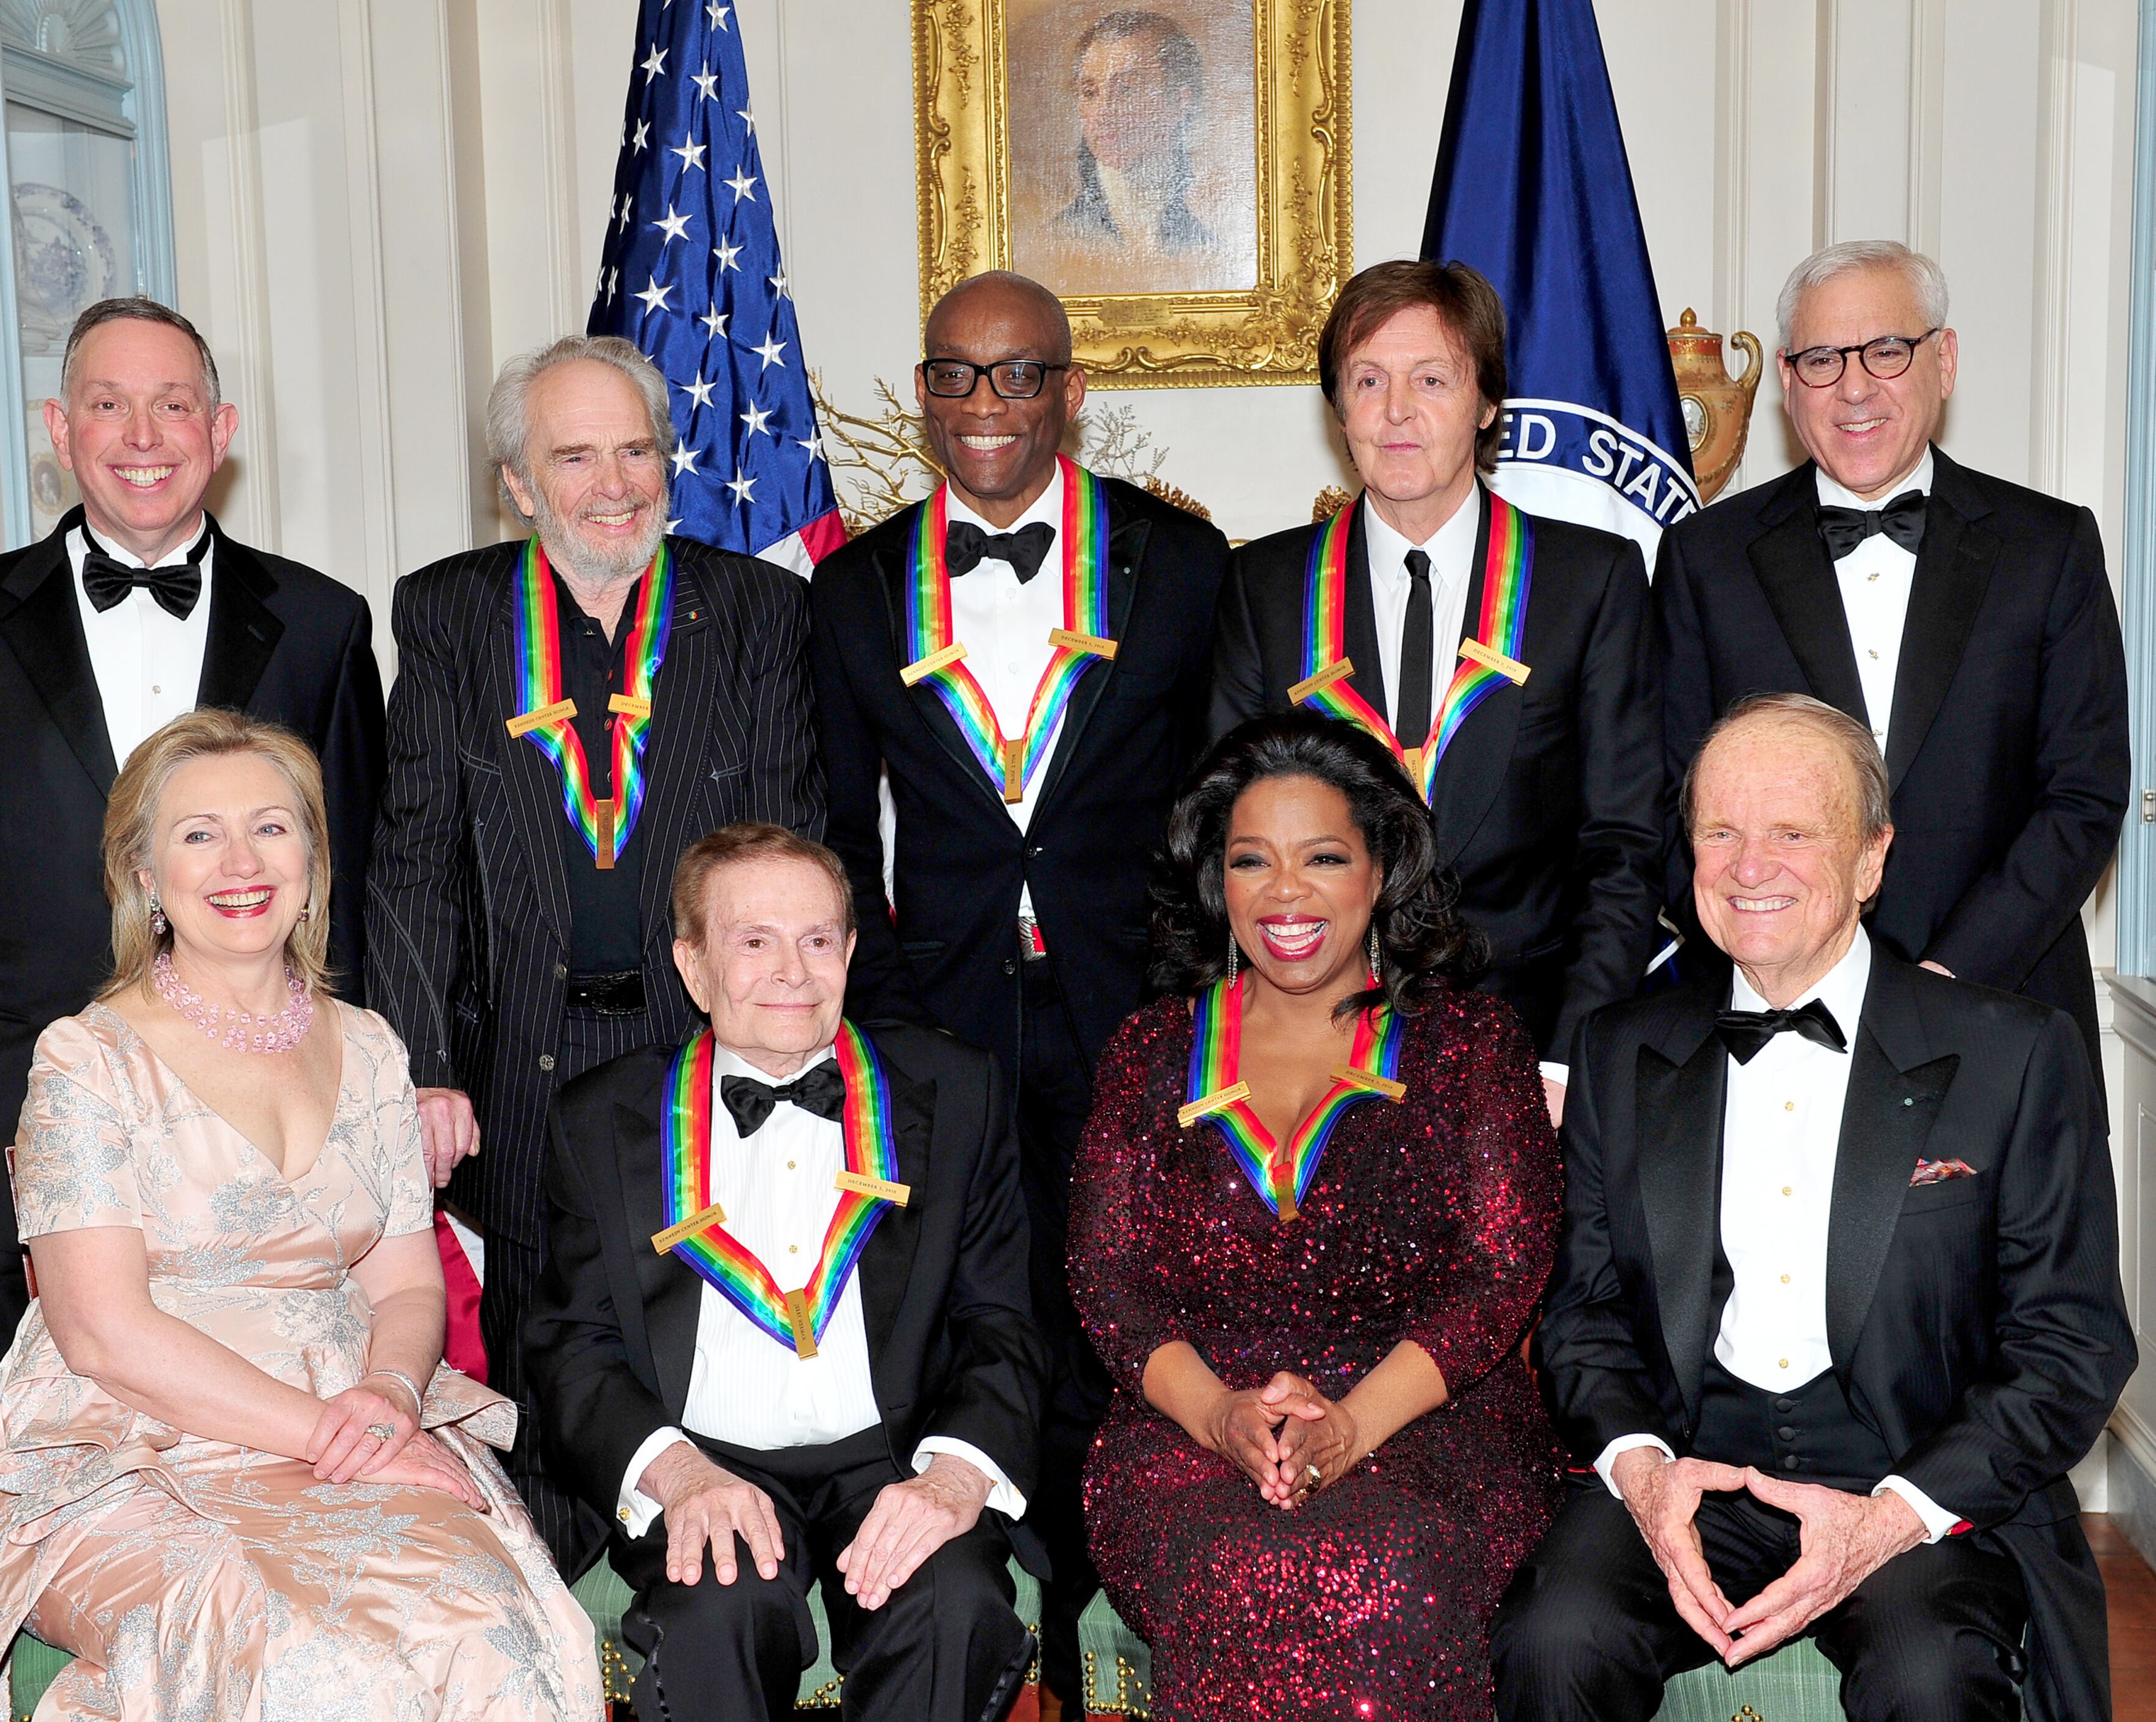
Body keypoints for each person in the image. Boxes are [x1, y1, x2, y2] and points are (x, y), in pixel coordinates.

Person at [0, 710, 599, 1722]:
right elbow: (102, 1332)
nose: (240, 859)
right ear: (142, 873)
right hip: (127, 1443)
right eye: (197, 833)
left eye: (272, 826)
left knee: (483, 1625)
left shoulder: (376, 1045)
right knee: (302, 1650)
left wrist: (392, 1397)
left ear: (313, 853)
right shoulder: (86, 1060)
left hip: (354, 1401)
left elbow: (402, 1282)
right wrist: (347, 1436)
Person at [0, 296, 384, 1494]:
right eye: (108, 403)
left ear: (221, 427)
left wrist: (368, 1127)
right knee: (4, 1496)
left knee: (235, 1497)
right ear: (59, 429)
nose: (145, 432)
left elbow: (360, 896)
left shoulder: (325, 627)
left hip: (251, 1157)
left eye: (174, 402)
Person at [1490, 693, 2133, 1722]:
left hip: (1914, 1479)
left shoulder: (2014, 1052)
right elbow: (1580, 1315)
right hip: (1689, 1464)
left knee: (1930, 1677)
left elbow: (2073, 1346)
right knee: (1553, 1637)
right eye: (1721, 832)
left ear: (1873, 858)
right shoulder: (1621, 1049)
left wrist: (1892, 1518)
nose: (1751, 866)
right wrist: (1645, 1472)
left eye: (1794, 832)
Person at [809, 269, 1227, 1716]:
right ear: (924, 394)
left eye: (1016, 375)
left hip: (1137, 1007)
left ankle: (1122, 1579)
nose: (984, 406)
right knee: (985, 1315)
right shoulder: (853, 588)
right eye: (954, 377)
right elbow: (825, 827)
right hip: (941, 1016)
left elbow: (1220, 799)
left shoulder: (1178, 564)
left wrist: (1197, 988)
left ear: (1069, 391)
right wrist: (871, 1009)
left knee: (1128, 1297)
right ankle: (994, 1600)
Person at [367, 333, 823, 1572]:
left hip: (703, 1052)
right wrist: (422, 1064)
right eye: (576, 455)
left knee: (694, 1339)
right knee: (539, 1365)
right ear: (520, 483)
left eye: (637, 449)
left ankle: (702, 1601)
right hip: (520, 1057)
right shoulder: (450, 614)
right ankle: (559, 1639)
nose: (614, 482)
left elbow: (792, 846)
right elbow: (413, 859)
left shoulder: (757, 612)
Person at [1067, 711, 1562, 1721]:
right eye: (1252, 860)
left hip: (1433, 1425)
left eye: (1323, 856)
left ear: (1381, 869)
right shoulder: (1149, 1050)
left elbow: (1502, 1271)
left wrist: (1350, 1425)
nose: (1285, 892)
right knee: (1233, 1560)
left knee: (1377, 1558)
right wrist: (1220, 1414)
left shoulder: (1471, 1041)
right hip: (1188, 1430)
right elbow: (1106, 1280)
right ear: (1218, 882)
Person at [522, 823, 1044, 1721]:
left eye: (816, 940)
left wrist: (954, 1477)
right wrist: (677, 1474)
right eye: (754, 941)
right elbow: (572, 1344)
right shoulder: (599, 1118)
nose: (793, 972)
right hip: (707, 1459)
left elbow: (1000, 1319)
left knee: (955, 1604)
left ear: (849, 948)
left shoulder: (956, 1090)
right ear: (693, 966)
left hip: (895, 1455)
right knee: (719, 1613)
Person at [1653, 241, 2128, 1089]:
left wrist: (1942, 981)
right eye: (1823, 359)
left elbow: (2083, 796)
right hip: (1774, 1021)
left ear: (1942, 362)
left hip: (2004, 1018)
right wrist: (1791, 963)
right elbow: (1669, 796)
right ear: (1789, 385)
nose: (1855, 386)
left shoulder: (2050, 547)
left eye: (1886, 350)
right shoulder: (1704, 559)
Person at [1211, 259, 1666, 1132]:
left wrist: (1569, 1059)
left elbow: (1624, 847)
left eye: (1432, 380)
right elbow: (1225, 844)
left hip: (1528, 1054)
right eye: (1368, 381)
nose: (1397, 413)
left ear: (1487, 401)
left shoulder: (1591, 582)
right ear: (1338, 407)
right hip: (1308, 1058)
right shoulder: (1263, 588)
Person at [1054, 11, 1213, 259]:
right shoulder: (1058, 237)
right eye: (1089, 93)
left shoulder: (1209, 239)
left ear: (1181, 103)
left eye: (1126, 89)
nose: (1103, 113)